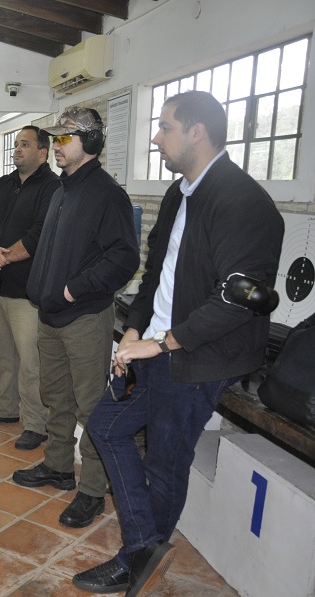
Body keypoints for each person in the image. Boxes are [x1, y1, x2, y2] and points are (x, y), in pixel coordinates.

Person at [73, 91, 284, 597]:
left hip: (198, 358)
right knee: (106, 427)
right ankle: (146, 547)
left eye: (165, 127)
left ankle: (136, 561)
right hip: (158, 344)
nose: (155, 137)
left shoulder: (243, 203)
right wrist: (133, 330)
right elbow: (156, 276)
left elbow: (236, 300)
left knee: (165, 463)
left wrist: (162, 344)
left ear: (197, 132)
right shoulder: (178, 194)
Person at [12, 107, 140, 529]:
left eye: (66, 138)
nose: (58, 146)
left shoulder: (107, 194)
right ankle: (58, 466)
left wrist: (72, 289)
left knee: (91, 407)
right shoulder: (62, 189)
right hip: (50, 315)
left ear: (93, 142)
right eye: (57, 138)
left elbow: (123, 258)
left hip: (83, 316)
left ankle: (93, 492)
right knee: (56, 397)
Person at [0, 126, 57, 450]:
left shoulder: (52, 187)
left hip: (27, 291)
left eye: (25, 144)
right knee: (3, 352)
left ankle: (36, 422)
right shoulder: (3, 184)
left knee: (30, 359)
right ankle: (5, 407)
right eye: (16, 144)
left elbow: (40, 234)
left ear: (43, 152)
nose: (17, 149)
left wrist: (0, 259)